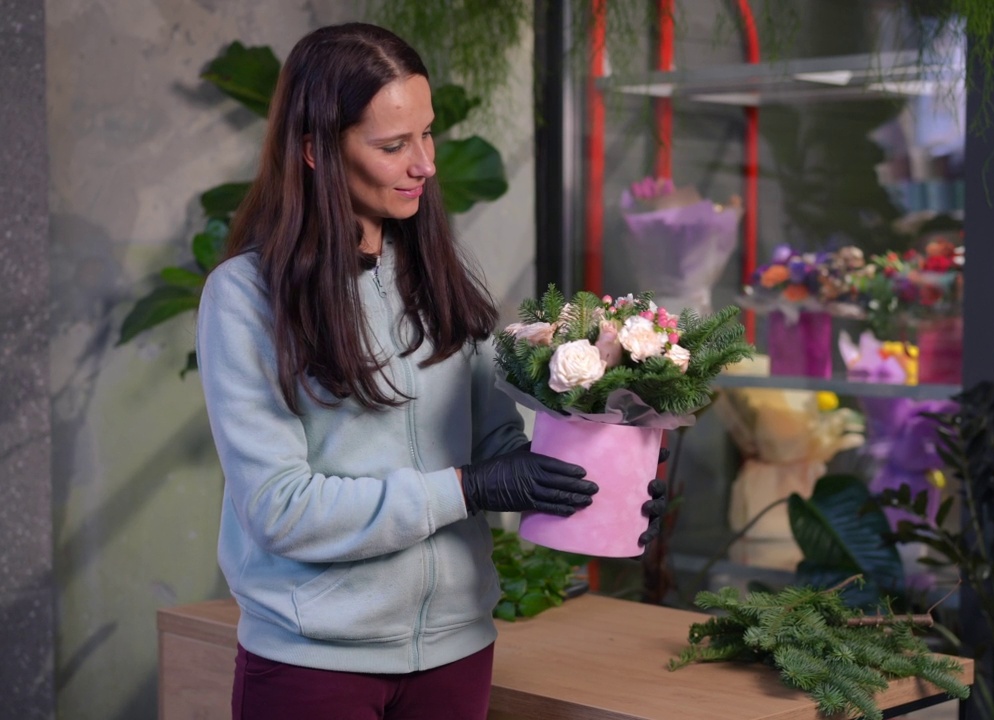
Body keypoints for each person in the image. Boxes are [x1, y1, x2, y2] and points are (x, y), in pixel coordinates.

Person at [196, 23, 665, 720]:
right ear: (314, 151)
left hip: (457, 653)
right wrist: (467, 489)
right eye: (393, 146)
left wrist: (597, 487)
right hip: (313, 663)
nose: (425, 164)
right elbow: (281, 511)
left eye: (427, 134)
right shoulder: (245, 298)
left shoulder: (440, 272)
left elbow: (496, 450)